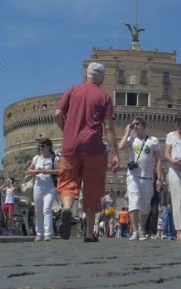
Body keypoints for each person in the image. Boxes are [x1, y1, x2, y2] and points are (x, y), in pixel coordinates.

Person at [54, 62, 120, 243]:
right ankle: (90, 234)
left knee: (68, 182)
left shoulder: (72, 90)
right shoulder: (104, 97)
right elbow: (108, 127)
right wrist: (114, 153)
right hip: (94, 149)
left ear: (86, 75)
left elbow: (58, 114)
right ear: (102, 78)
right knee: (92, 189)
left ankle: (67, 209)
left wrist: (66, 132)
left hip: (69, 148)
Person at [119, 117, 162, 241]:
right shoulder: (131, 139)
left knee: (145, 206)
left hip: (148, 177)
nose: (135, 126)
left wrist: (159, 178)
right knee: (133, 203)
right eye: (133, 124)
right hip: (133, 176)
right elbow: (121, 147)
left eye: (137, 124)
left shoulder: (153, 141)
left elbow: (158, 160)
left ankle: (142, 229)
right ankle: (134, 231)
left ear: (143, 125)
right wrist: (127, 132)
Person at [27, 138, 58, 241]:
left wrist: (47, 171)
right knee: (38, 210)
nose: (40, 148)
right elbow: (29, 170)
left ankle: (48, 233)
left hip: (50, 187)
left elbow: (60, 171)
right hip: (38, 187)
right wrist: (36, 171)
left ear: (49, 147)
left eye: (43, 146)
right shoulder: (36, 158)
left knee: (47, 209)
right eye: (39, 146)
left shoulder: (54, 158)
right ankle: (39, 233)